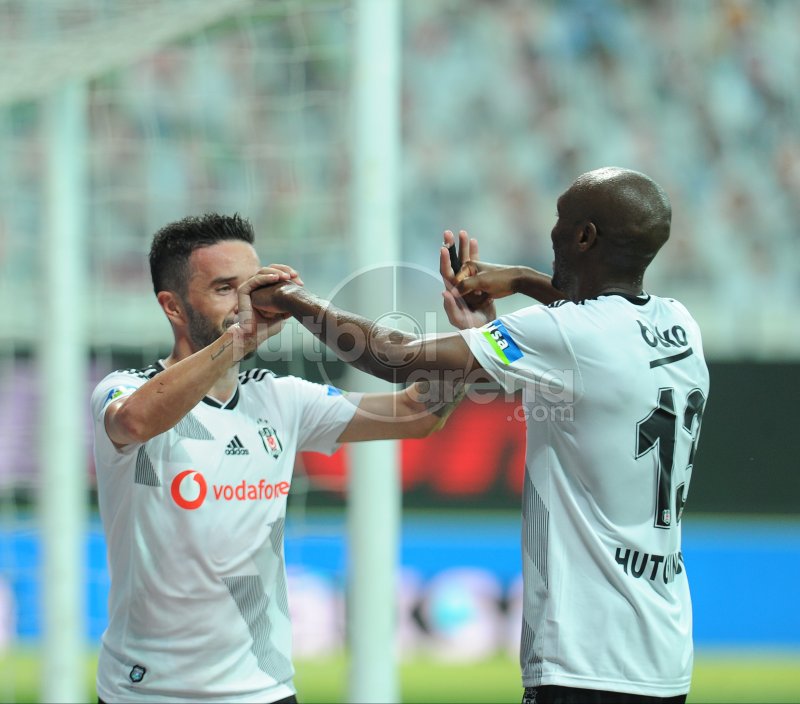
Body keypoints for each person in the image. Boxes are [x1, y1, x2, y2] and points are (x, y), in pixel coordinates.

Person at [244, 167, 710, 704]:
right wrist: (517, 284)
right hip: (664, 647)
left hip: (588, 657)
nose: (551, 232)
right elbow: (596, 323)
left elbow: (399, 358)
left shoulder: (569, 335)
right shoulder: (680, 324)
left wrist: (296, 301)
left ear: (585, 237)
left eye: (561, 220)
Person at [90, 213, 463, 704]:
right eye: (225, 288)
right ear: (173, 306)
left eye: (253, 285)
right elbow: (136, 422)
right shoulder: (123, 389)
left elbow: (420, 413)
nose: (246, 301)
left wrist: (473, 338)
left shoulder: (279, 397)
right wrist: (238, 341)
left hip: (264, 690)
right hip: (147, 691)